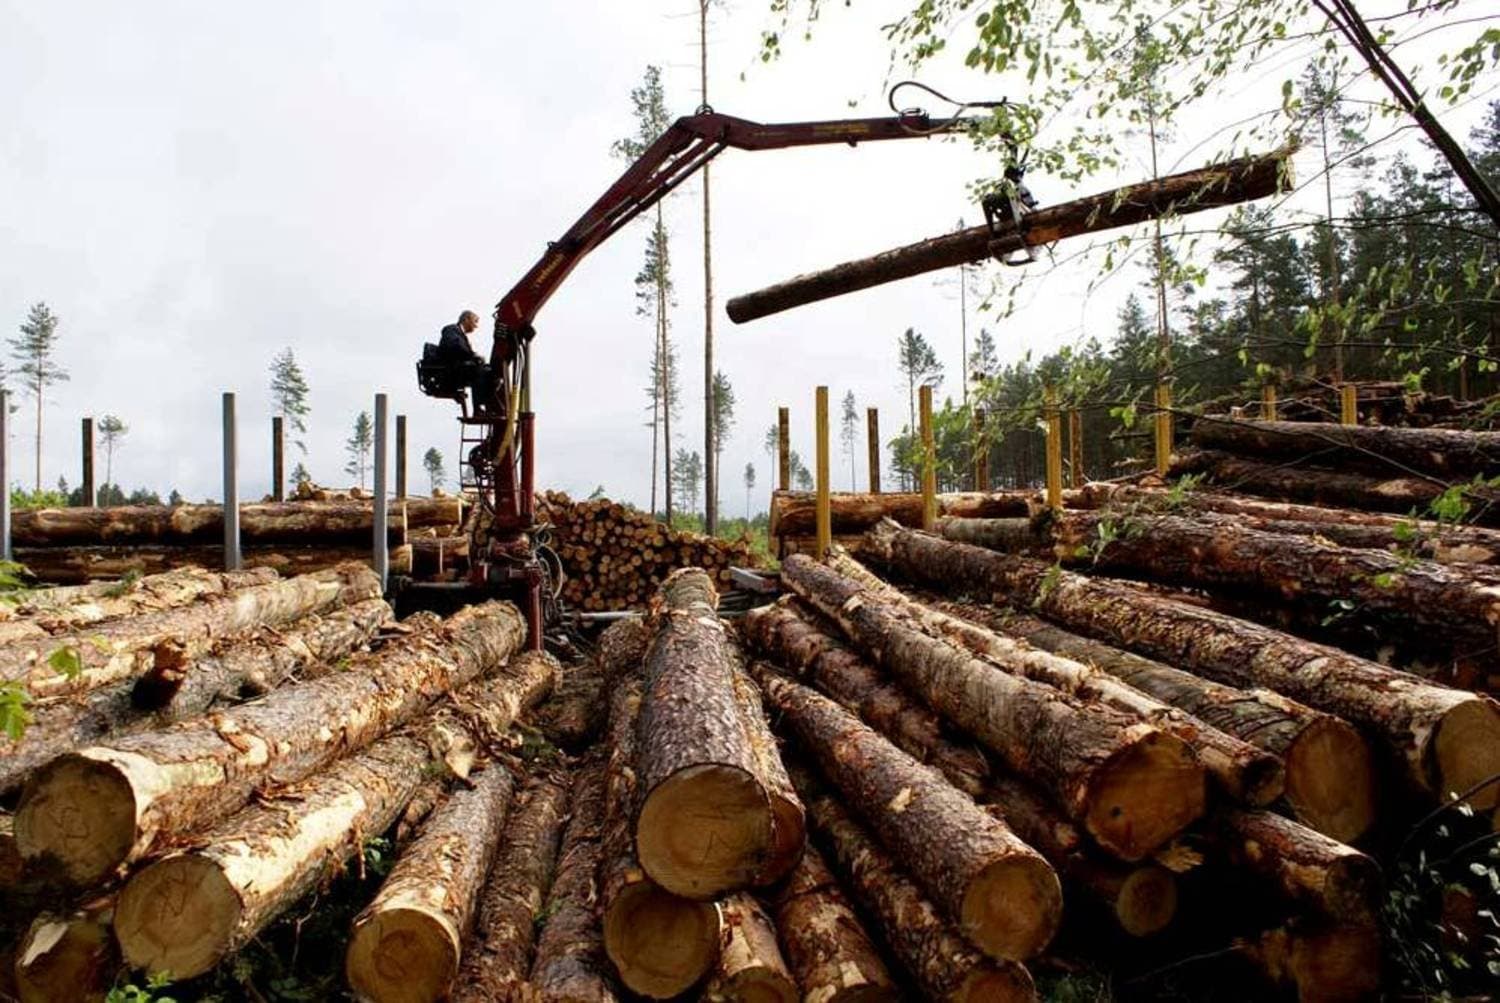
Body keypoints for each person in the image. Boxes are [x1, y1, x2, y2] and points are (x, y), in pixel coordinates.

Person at [437, 310, 492, 406]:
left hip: (459, 368)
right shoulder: (451, 330)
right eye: (475, 321)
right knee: (478, 369)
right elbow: (455, 346)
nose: (476, 326)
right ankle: (478, 408)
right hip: (451, 370)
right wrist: (473, 355)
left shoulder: (461, 335)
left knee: (489, 371)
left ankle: (488, 405)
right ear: (466, 319)